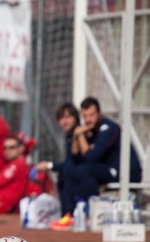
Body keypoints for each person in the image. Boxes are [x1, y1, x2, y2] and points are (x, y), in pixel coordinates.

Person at [36, 96, 142, 226]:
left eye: (92, 115)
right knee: (68, 171)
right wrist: (77, 135)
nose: (88, 119)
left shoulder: (108, 128)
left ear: (99, 113)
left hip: (124, 173)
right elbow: (75, 158)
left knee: (84, 170)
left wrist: (79, 134)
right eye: (85, 116)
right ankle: (69, 214)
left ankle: (90, 211)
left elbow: (92, 156)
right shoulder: (88, 130)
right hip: (105, 170)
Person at [34, 102, 82, 222]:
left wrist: (50, 165)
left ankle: (70, 214)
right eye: (61, 118)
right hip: (77, 170)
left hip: (87, 171)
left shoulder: (80, 133)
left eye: (68, 117)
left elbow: (74, 162)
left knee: (66, 171)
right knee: (63, 173)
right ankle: (66, 214)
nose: (64, 122)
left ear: (76, 117)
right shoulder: (69, 136)